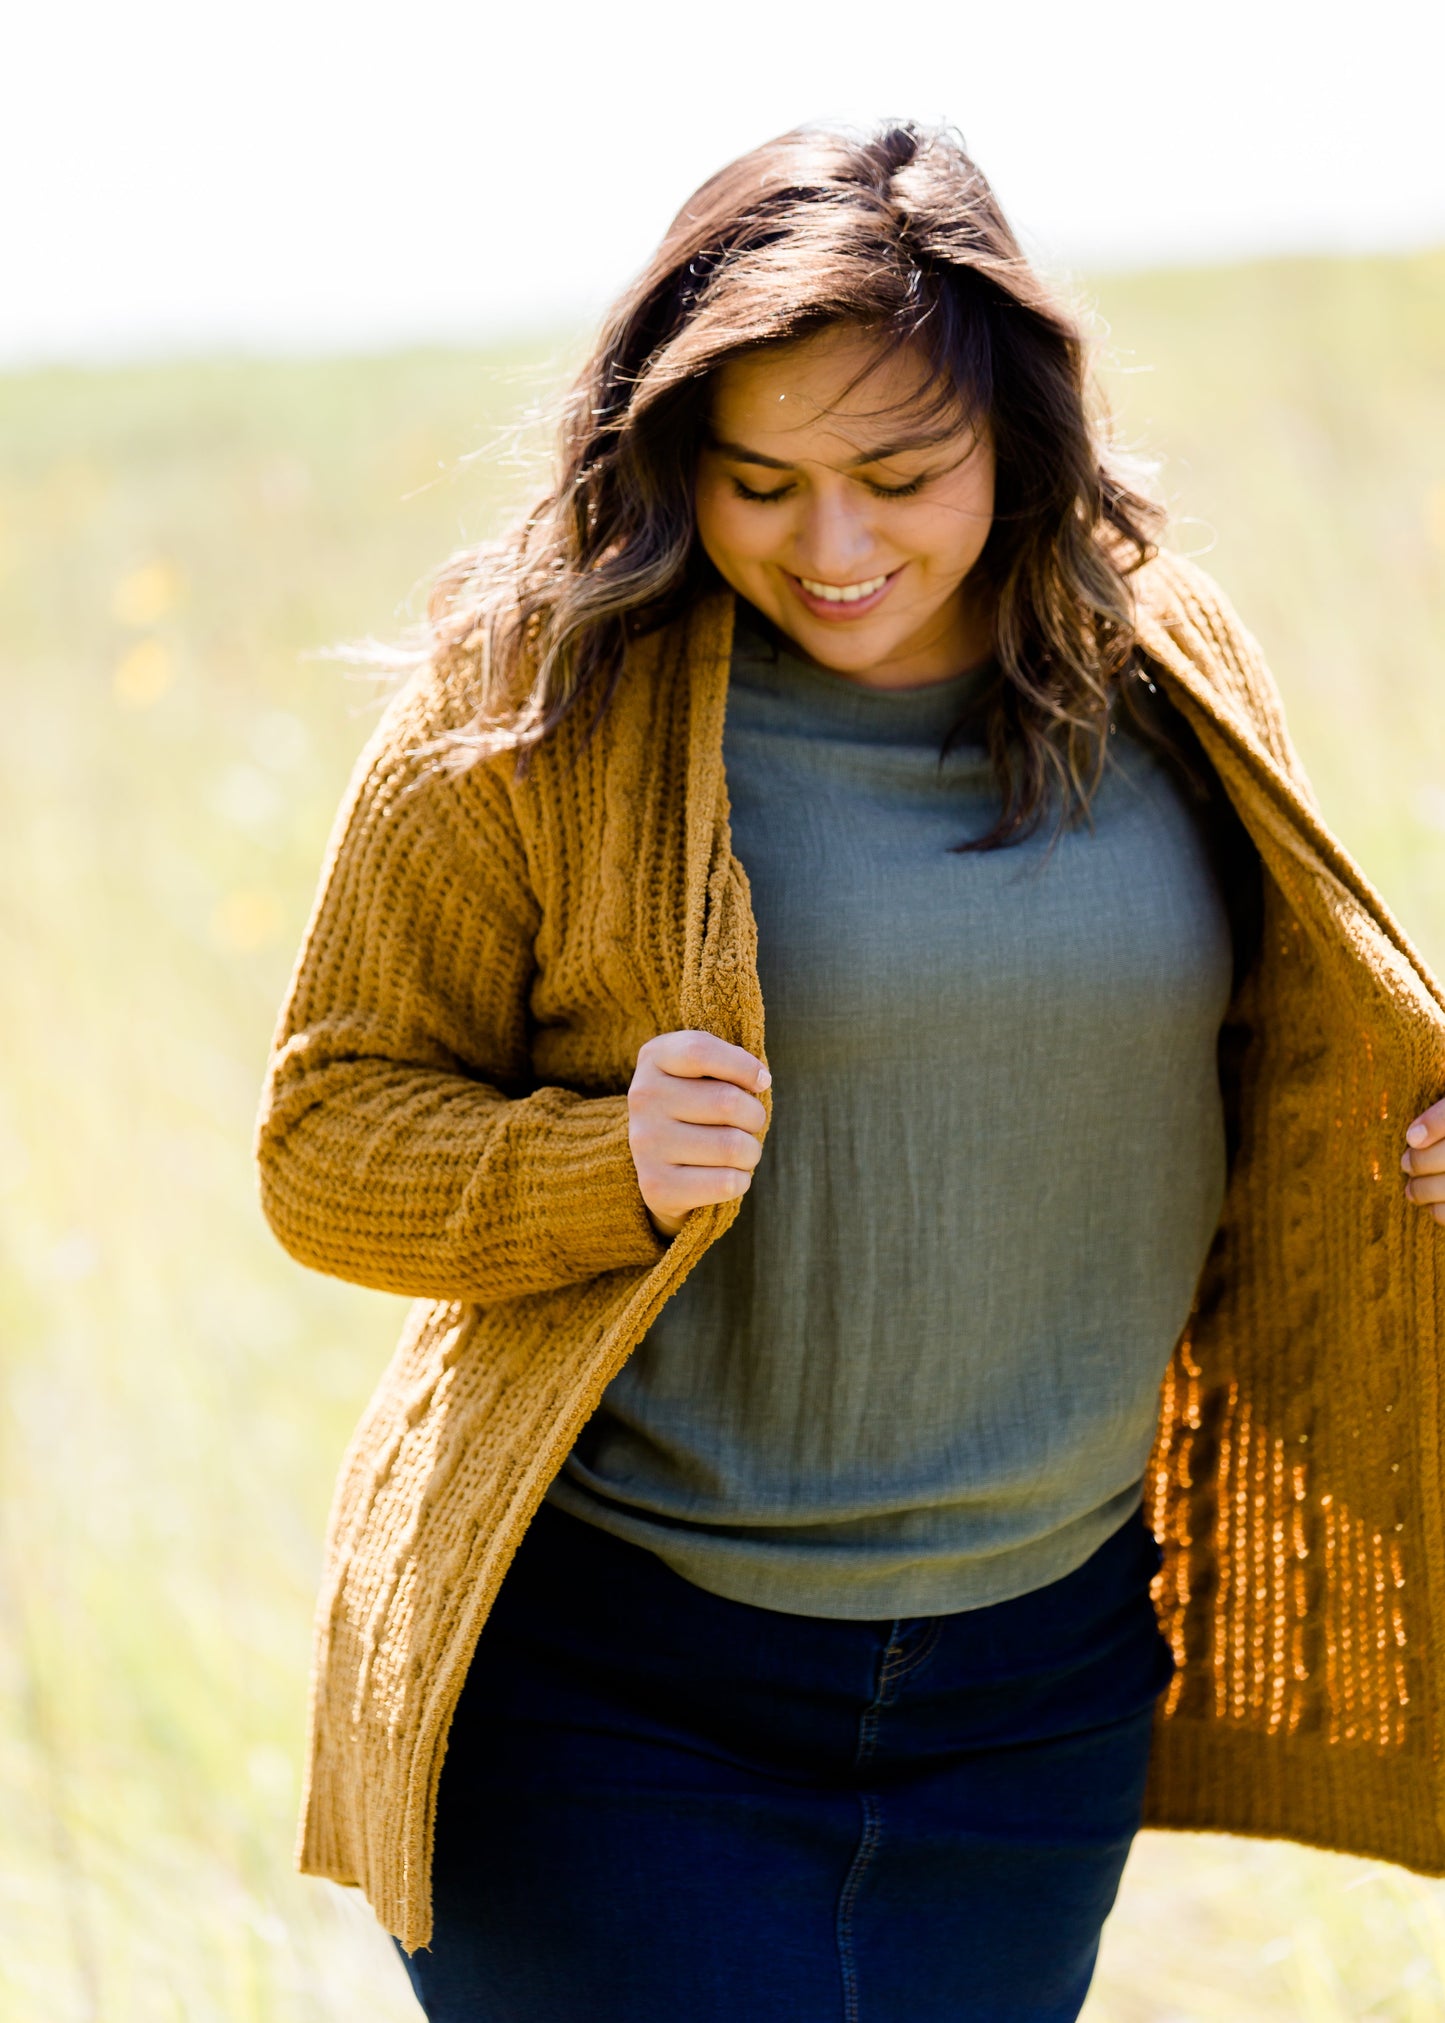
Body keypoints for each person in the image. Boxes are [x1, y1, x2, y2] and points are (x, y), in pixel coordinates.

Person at [255, 123, 1445, 2022]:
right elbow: (323, 1139)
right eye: (758, 482)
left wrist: (1407, 1147)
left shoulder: (1164, 663)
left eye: (900, 476)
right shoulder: (530, 705)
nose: (832, 547)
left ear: (1019, 435)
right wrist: (596, 1163)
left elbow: (1280, 1070)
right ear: (666, 462)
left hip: (1031, 1701)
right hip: (612, 1690)